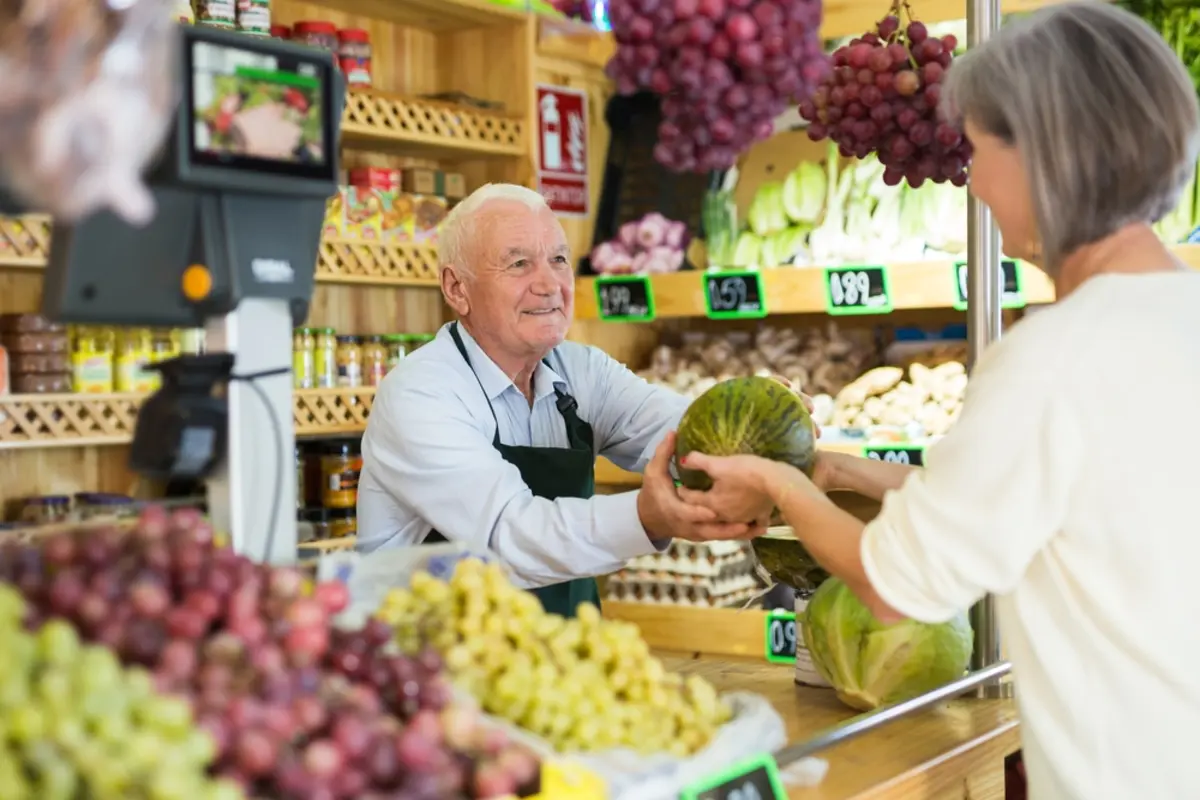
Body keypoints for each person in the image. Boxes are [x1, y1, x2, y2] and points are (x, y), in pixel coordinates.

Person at [677, 5, 1200, 798]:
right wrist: (841, 473)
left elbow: (896, 586)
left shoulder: (1052, 358)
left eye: (982, 148)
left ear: (1044, 155)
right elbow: (1045, 504)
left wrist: (778, 484)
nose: (974, 181)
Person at [356, 183, 767, 618]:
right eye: (519, 264)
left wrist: (752, 422)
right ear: (457, 289)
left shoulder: (581, 371)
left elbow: (681, 432)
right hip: (432, 668)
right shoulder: (421, 394)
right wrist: (647, 516)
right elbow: (509, 539)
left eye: (559, 260)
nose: (550, 284)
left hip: (559, 664)